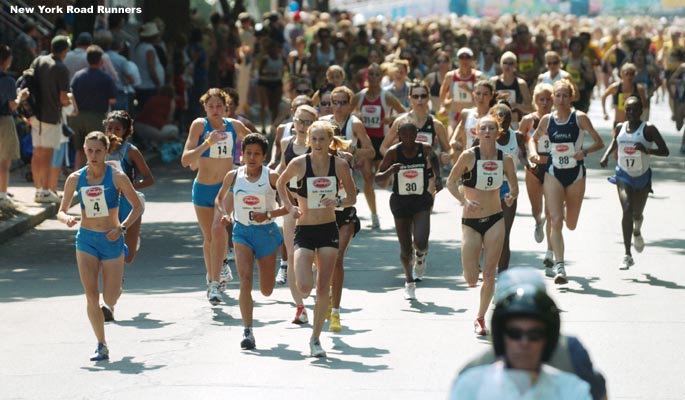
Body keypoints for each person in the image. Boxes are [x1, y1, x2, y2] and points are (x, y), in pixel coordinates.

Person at [56, 131, 143, 361]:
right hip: (86, 240)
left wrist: (122, 228)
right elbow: (61, 210)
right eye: (89, 150)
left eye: (98, 151)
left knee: (110, 297)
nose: (93, 155)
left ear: (106, 152)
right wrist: (66, 218)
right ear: (84, 150)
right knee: (91, 296)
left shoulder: (116, 177)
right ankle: (101, 344)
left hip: (112, 239)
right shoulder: (75, 178)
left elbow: (137, 206)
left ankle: (116, 285)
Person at [457, 267, 607, 400]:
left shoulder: (571, 355)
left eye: (535, 333)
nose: (524, 343)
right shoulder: (471, 380)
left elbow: (597, 391)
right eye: (514, 332)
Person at [276, 121, 356, 358]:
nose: (319, 144)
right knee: (304, 286)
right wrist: (289, 207)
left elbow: (352, 195)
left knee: (323, 287)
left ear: (330, 141)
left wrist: (339, 202)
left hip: (328, 229)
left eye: (323, 139)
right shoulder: (299, 163)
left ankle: (315, 338)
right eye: (315, 139)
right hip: (305, 230)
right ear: (309, 140)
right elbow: (280, 182)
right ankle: (310, 265)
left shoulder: (339, 165)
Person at [446, 115, 518, 336]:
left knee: (489, 274)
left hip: (495, 219)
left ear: (498, 133)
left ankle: (480, 318)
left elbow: (514, 188)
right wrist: (463, 201)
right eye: (483, 128)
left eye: (491, 128)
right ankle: (471, 265)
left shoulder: (505, 159)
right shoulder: (468, 156)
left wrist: (510, 197)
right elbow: (450, 182)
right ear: (476, 132)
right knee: (471, 279)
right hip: (471, 222)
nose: (487, 131)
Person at [528, 80, 604, 284]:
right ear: (553, 98)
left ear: (571, 98)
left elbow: (599, 142)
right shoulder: (547, 119)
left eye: (564, 96)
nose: (561, 100)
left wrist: (585, 152)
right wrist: (534, 154)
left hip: (576, 175)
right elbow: (533, 139)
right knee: (555, 220)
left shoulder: (579, 118)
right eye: (558, 96)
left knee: (571, 223)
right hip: (553, 173)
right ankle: (560, 267)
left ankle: (558, 251)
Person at [215, 133, 286, 349]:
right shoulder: (233, 176)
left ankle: (275, 271)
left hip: (266, 233)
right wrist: (224, 213)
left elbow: (289, 207)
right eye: (248, 153)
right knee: (245, 279)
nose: (252, 157)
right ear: (242, 155)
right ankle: (248, 331)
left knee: (266, 290)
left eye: (257, 154)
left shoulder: (272, 177)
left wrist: (269, 215)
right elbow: (219, 199)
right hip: (242, 232)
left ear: (264, 156)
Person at [180, 88, 250, 306]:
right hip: (203, 187)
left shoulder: (234, 126)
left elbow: (257, 143)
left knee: (218, 228)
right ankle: (216, 270)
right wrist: (207, 143)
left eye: (219, 106)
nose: (215, 110)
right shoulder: (199, 126)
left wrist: (246, 164)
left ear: (226, 107)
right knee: (210, 238)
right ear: (205, 108)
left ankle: (214, 284)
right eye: (211, 106)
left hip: (226, 187)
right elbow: (185, 160)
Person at [600, 96, 669, 269]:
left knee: (637, 214)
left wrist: (647, 150)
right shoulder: (620, 126)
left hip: (642, 177)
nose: (631, 112)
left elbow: (665, 151)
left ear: (641, 110)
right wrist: (606, 155)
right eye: (628, 109)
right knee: (627, 210)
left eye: (635, 109)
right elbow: (615, 141)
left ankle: (637, 230)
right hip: (623, 175)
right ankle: (627, 254)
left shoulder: (649, 129)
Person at [376, 121, 435, 299]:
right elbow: (378, 177)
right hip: (400, 201)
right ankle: (409, 282)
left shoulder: (424, 148)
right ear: (398, 135)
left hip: (420, 200)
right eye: (404, 135)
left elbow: (435, 160)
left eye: (412, 134)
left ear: (417, 133)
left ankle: (421, 254)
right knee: (405, 247)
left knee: (421, 241)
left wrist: (438, 178)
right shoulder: (393, 152)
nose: (408, 138)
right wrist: (390, 172)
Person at [276, 104, 316, 322]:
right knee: (291, 256)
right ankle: (300, 307)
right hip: (292, 208)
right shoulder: (286, 143)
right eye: (300, 121)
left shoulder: (318, 145)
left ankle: (323, 293)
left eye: (308, 122)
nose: (303, 126)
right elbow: (282, 175)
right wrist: (285, 204)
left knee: (316, 256)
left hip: (315, 209)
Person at [353, 63, 405, 230]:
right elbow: (346, 112)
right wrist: (355, 115)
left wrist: (391, 120)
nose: (374, 78)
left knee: (382, 182)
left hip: (382, 142)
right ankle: (374, 216)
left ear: (381, 77)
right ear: (366, 77)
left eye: (377, 75)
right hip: (365, 142)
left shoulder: (386, 96)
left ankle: (390, 178)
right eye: (371, 75)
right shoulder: (359, 96)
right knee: (367, 178)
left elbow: (405, 112)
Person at [104, 110, 154, 266]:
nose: (112, 132)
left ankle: (132, 239)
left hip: (129, 203)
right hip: (105, 203)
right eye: (109, 128)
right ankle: (114, 285)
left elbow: (149, 179)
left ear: (125, 131)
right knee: (107, 250)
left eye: (117, 129)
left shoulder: (130, 151)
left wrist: (128, 187)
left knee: (128, 257)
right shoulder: (98, 149)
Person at [380, 80, 450, 192]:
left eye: (423, 96)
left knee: (426, 209)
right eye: (415, 96)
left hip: (428, 174)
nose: (419, 100)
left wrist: (445, 156)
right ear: (410, 99)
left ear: (428, 98)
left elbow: (447, 149)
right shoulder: (400, 122)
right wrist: (395, 159)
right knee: (407, 209)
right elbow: (383, 147)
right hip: (405, 172)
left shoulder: (436, 124)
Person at [30, 35, 71, 204]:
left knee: (37, 153)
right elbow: (63, 98)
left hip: (34, 114)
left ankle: (38, 189)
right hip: (51, 114)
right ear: (64, 50)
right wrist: (69, 100)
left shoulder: (39, 60)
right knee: (47, 154)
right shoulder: (61, 68)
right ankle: (45, 191)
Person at [519, 83, 554, 267]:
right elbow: (518, 141)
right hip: (533, 169)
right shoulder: (528, 120)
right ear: (535, 101)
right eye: (542, 99)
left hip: (552, 169)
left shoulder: (557, 119)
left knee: (551, 211)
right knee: (537, 209)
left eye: (549, 99)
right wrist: (525, 161)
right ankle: (537, 222)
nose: (546, 102)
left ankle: (550, 252)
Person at [490, 103, 526, 273]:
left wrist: (531, 164)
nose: (504, 125)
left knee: (504, 235)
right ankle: (485, 266)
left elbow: (523, 157)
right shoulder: (485, 137)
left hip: (508, 188)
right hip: (488, 188)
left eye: (508, 120)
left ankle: (502, 275)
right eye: (500, 121)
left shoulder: (517, 136)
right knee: (488, 235)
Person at [70, 45, 117, 170]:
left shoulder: (78, 76)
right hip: (96, 117)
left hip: (77, 116)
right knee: (98, 149)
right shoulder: (106, 77)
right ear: (101, 60)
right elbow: (113, 99)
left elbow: (71, 94)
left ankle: (77, 177)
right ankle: (95, 177)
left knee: (80, 149)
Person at [0, 45, 30, 210]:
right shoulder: (8, 80)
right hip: (3, 121)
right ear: (6, 60)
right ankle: (2, 196)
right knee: (4, 161)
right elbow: (12, 106)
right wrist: (20, 96)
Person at [449, 80, 496, 163]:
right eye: (478, 93)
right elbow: (456, 136)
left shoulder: (495, 115)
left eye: (485, 94)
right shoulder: (466, 113)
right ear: (473, 94)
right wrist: (454, 142)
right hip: (470, 158)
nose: (481, 97)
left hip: (490, 160)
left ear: (491, 96)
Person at [439, 47, 483, 135]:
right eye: (462, 57)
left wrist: (468, 90)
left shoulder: (478, 76)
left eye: (467, 57)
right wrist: (443, 105)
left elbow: (482, 96)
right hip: (454, 113)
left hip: (472, 115)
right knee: (451, 139)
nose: (464, 60)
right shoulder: (450, 76)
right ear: (457, 60)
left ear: (472, 59)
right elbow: (443, 90)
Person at [490, 51, 533, 129]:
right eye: (505, 63)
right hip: (496, 122)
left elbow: (531, 108)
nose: (507, 66)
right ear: (500, 64)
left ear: (516, 65)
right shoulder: (493, 82)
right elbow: (487, 104)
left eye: (511, 63)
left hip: (514, 122)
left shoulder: (521, 84)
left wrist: (517, 106)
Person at [601, 63, 647, 127]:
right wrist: (604, 112)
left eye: (632, 74)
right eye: (627, 73)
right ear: (621, 74)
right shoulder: (615, 87)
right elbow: (603, 96)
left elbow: (644, 106)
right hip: (619, 123)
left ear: (635, 74)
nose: (629, 76)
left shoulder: (639, 89)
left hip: (634, 125)